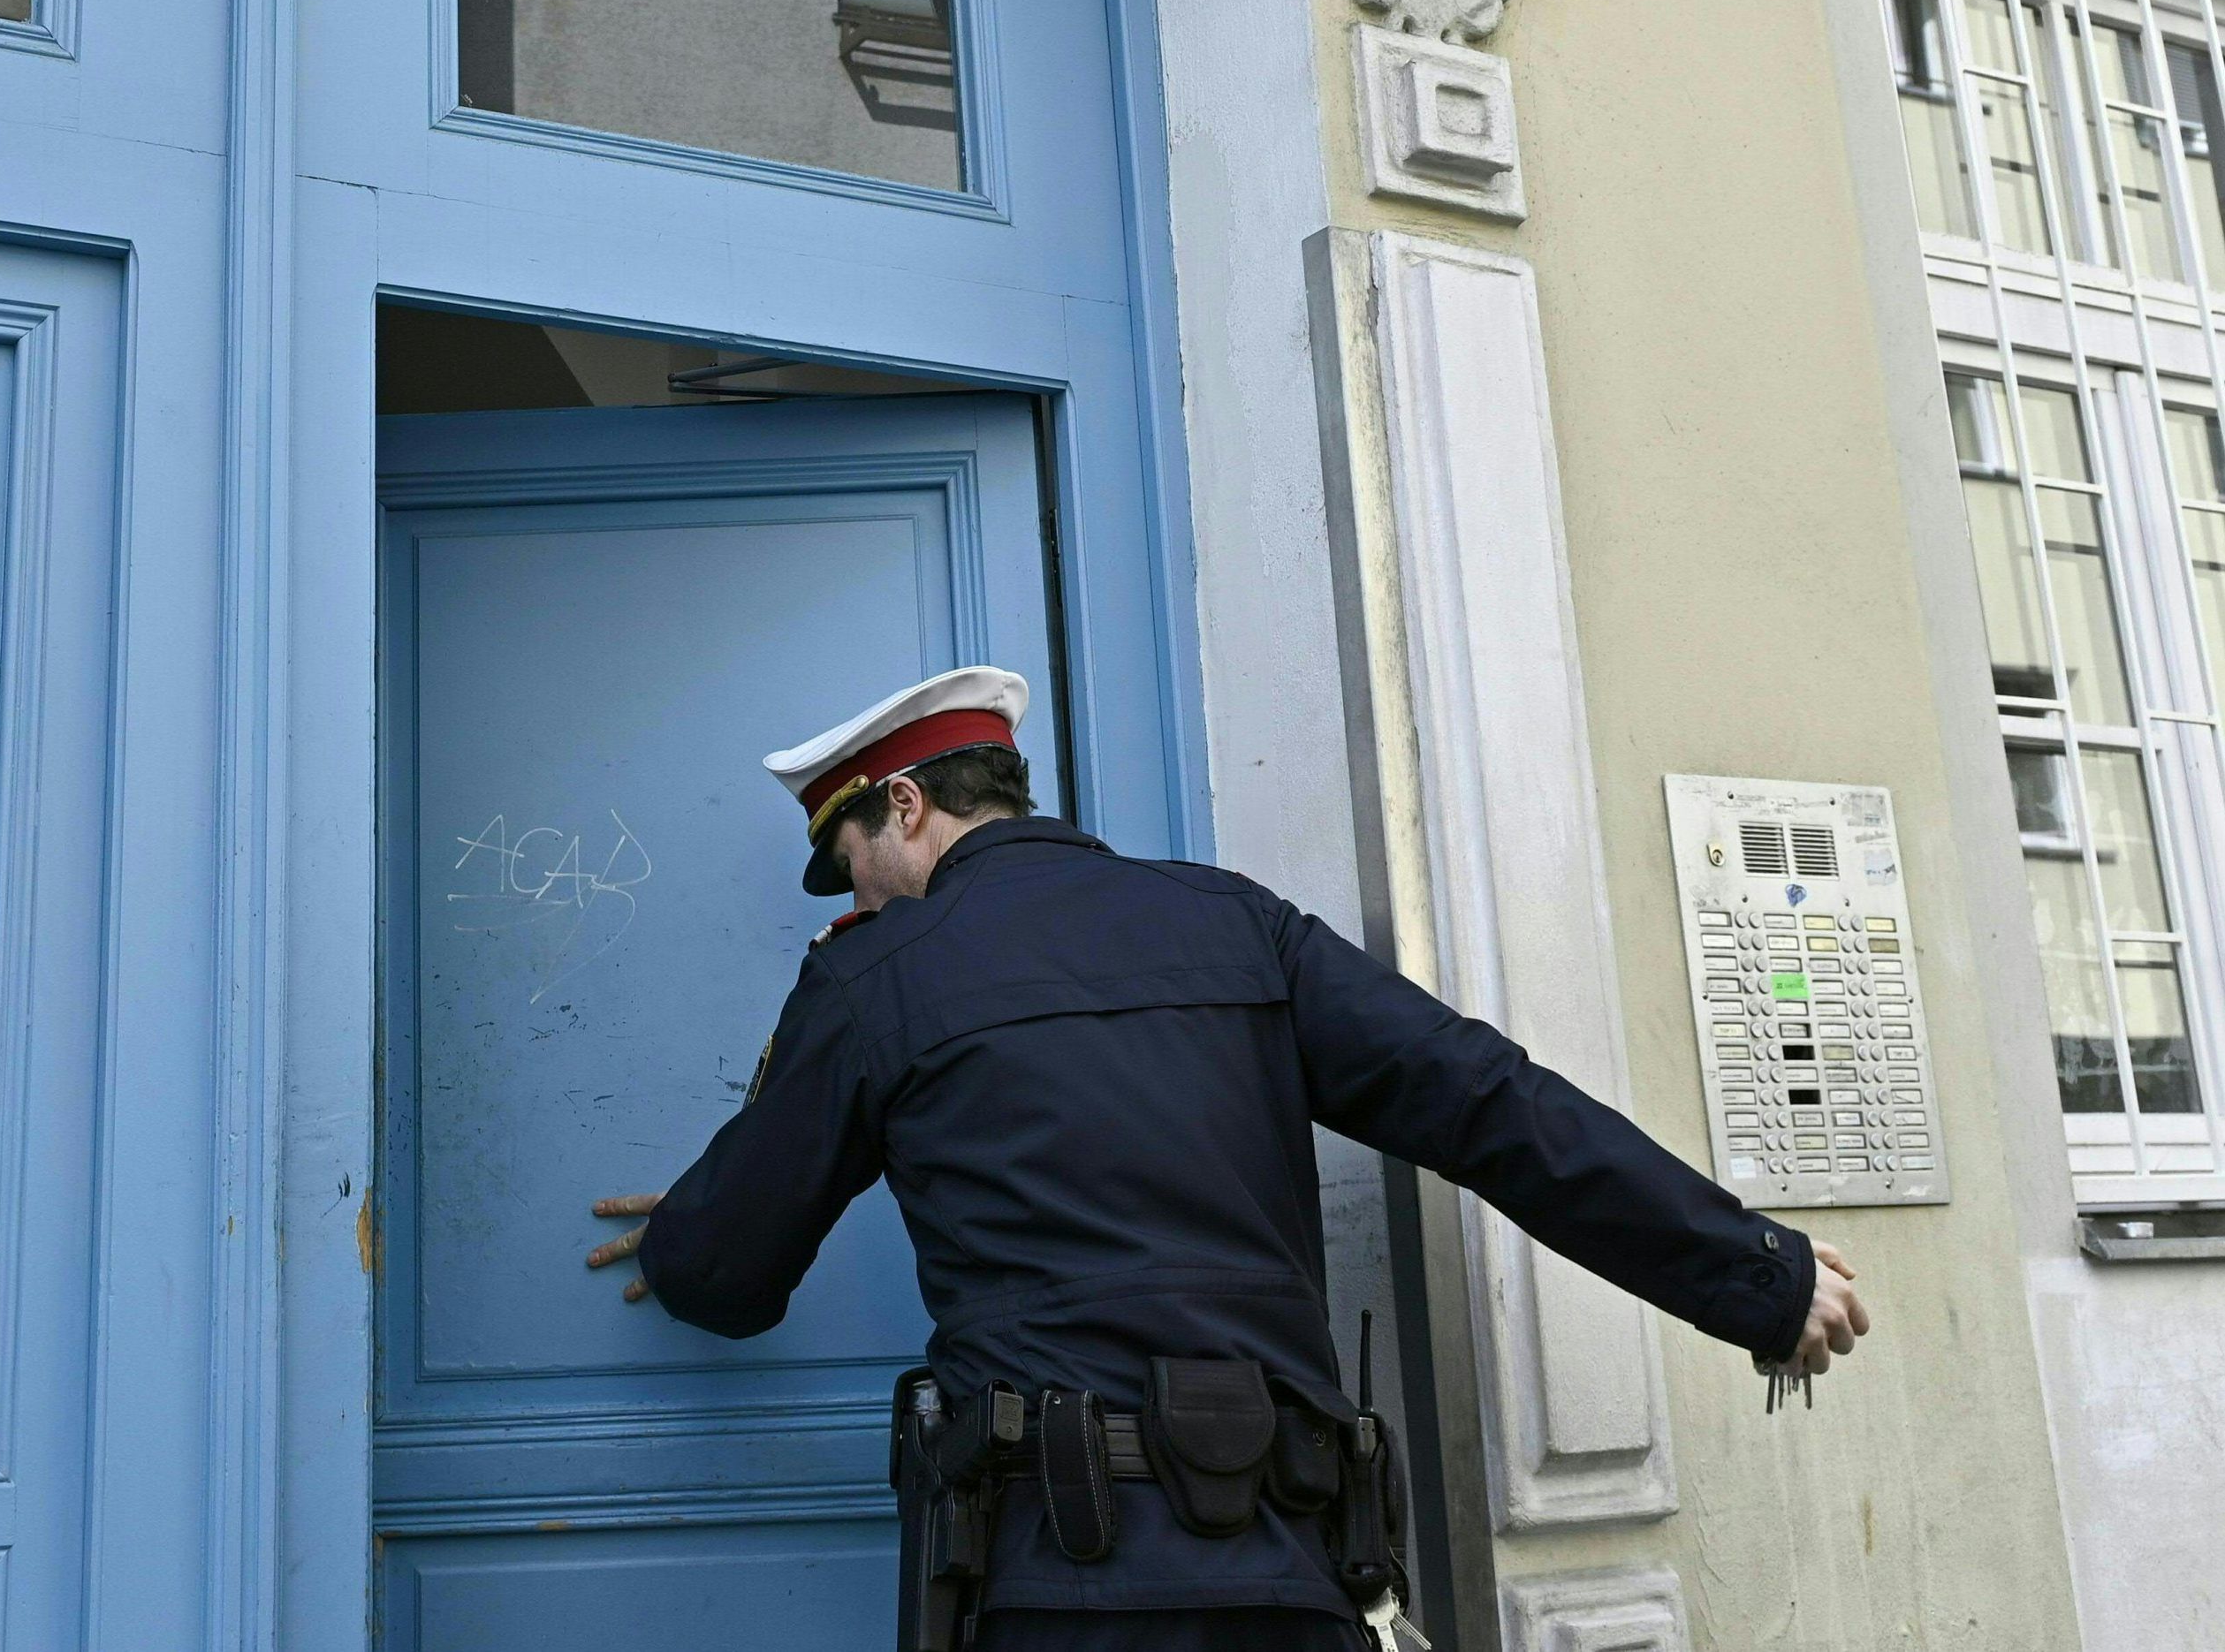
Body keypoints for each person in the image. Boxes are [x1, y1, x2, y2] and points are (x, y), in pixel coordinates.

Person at [581, 668, 1868, 1652]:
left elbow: (723, 1280)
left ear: (905, 805)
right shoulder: (1236, 925)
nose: (856, 904)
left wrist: (710, 1192)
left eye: (852, 867)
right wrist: (1752, 1273)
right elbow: (1490, 1104)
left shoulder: (877, 979)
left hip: (1052, 1578)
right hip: (1288, 1565)